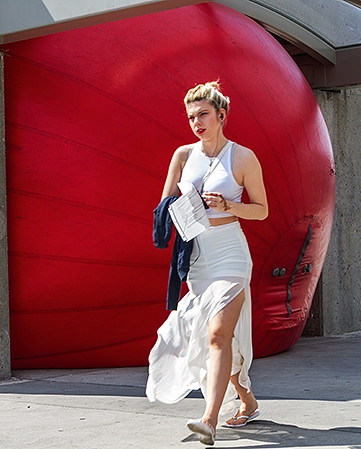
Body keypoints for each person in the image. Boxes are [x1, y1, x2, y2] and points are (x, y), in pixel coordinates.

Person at [146, 81, 268, 446]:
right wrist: (183, 204)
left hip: (230, 253)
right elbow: (163, 206)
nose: (196, 122)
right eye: (191, 116)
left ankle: (209, 420)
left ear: (221, 116)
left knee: (217, 335)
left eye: (203, 114)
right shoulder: (183, 155)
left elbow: (262, 211)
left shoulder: (243, 158)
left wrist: (229, 205)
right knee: (210, 333)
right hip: (197, 257)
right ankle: (247, 400)